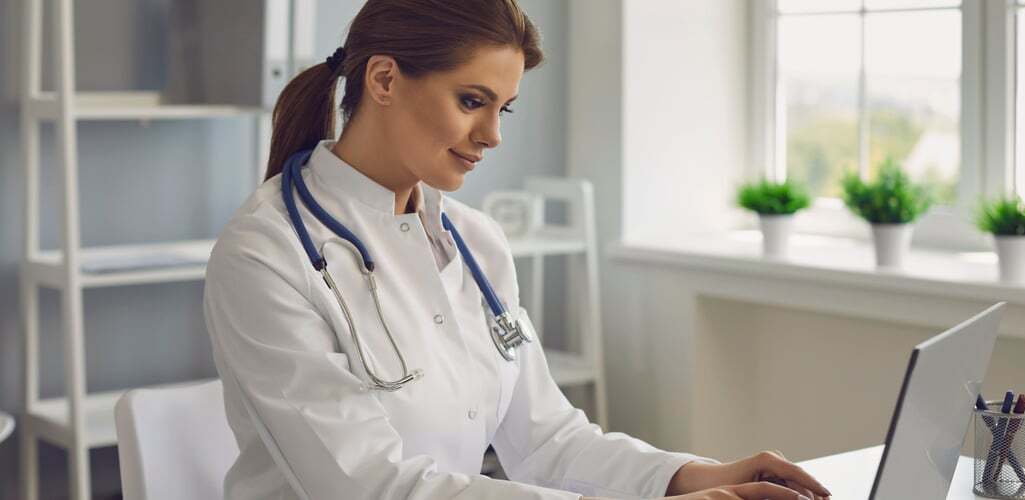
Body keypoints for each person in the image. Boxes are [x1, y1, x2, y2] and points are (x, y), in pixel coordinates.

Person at [203, 1, 831, 498]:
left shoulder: (477, 244)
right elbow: (368, 486)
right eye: (471, 101)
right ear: (385, 78)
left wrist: (698, 476)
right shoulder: (266, 253)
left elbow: (547, 441)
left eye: (503, 108)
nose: (494, 135)